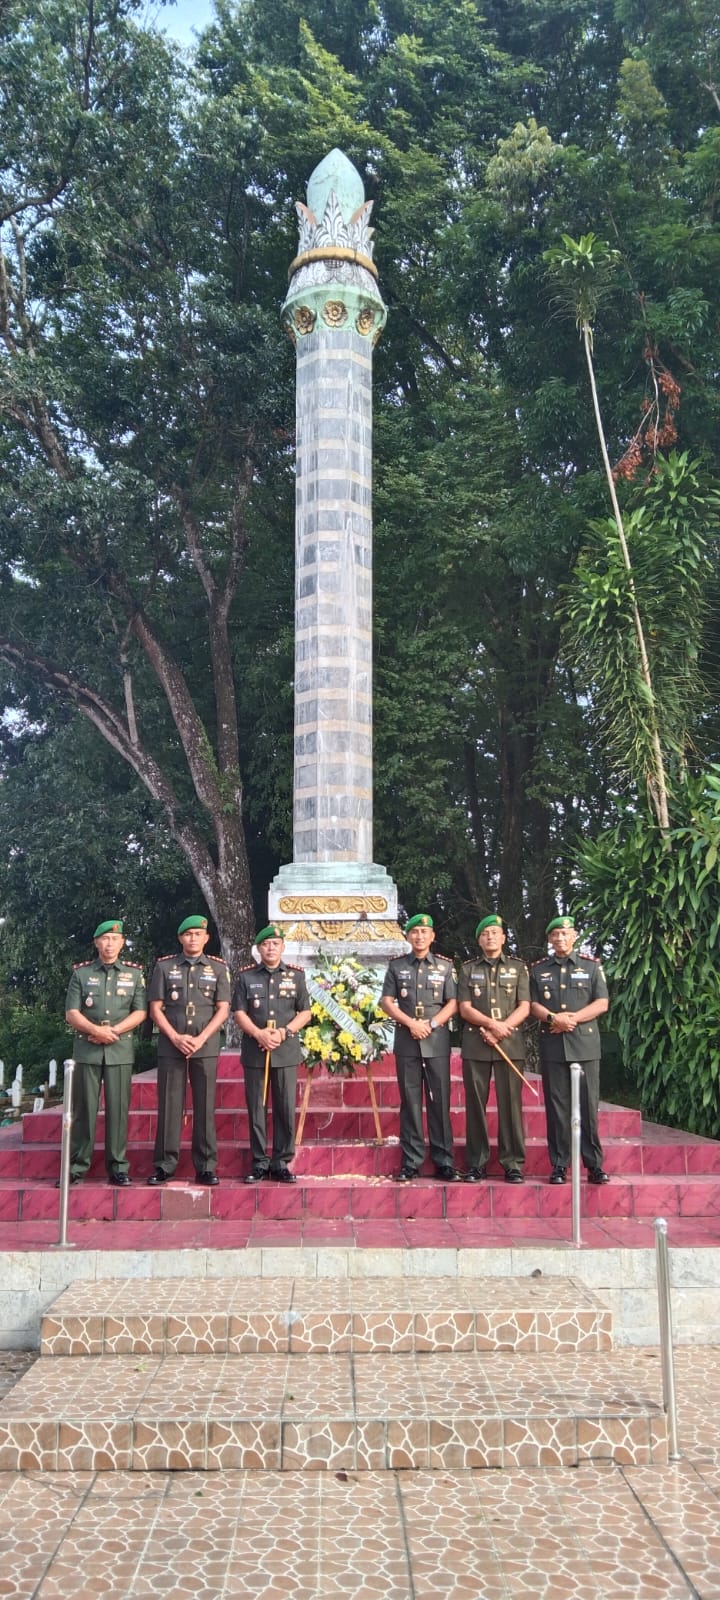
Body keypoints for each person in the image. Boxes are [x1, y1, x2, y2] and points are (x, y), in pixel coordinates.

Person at [147, 915, 231, 1186]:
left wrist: (203, 1037)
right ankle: (164, 1165)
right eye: (189, 934)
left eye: (198, 934)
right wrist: (174, 1036)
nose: (193, 938)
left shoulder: (218, 968)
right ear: (180, 938)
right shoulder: (164, 966)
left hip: (204, 1045)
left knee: (205, 1106)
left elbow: (223, 1009)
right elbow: (155, 1008)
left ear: (206, 938)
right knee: (169, 1106)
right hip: (172, 1045)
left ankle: (206, 1166)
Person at [62, 919, 147, 1186]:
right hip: (87, 1050)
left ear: (122, 943)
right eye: (105, 939)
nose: (109, 944)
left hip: (119, 1051)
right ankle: (76, 1167)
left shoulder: (134, 975)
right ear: (96, 943)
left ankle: (118, 1167)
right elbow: (71, 1013)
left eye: (115, 939)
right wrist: (96, 1031)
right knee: (83, 1110)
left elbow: (141, 1011)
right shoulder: (81, 974)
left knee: (118, 1111)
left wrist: (115, 1031)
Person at [529, 915, 610, 1185]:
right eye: (555, 935)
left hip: (584, 1044)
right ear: (550, 939)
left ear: (574, 936)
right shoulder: (539, 970)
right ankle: (560, 1164)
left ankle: (594, 1165)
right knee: (557, 1108)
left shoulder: (590, 966)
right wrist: (554, 1019)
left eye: (565, 934)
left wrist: (572, 1019)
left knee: (588, 1107)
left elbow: (601, 1003)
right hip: (553, 1044)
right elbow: (533, 1005)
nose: (560, 939)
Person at [381, 913, 460, 1182]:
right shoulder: (396, 966)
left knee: (439, 1102)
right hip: (407, 1041)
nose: (419, 936)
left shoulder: (445, 967)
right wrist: (411, 1023)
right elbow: (387, 1001)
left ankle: (444, 1160)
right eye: (414, 932)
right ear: (407, 936)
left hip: (436, 1042)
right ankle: (411, 1161)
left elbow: (452, 1002)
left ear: (432, 936)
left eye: (424, 932)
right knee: (411, 1104)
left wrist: (433, 1023)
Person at [233, 924, 311, 1184]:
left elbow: (305, 1012)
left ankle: (281, 1162)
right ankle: (259, 1162)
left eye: (275, 944)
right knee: (257, 1108)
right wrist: (259, 1034)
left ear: (282, 947)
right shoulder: (246, 977)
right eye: (265, 944)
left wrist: (285, 1032)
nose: (270, 948)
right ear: (258, 949)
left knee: (285, 1108)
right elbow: (239, 1013)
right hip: (256, 1051)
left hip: (285, 1051)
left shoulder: (296, 976)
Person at [458, 914, 530, 1183]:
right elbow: (464, 1007)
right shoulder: (467, 969)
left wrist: (503, 1028)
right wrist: (490, 1025)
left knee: (510, 1105)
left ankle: (512, 1163)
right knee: (476, 1105)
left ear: (503, 938)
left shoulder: (518, 968)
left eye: (494, 932)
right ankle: (476, 1163)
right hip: (477, 1044)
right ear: (479, 939)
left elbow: (524, 1005)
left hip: (509, 1044)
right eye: (485, 933)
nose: (490, 937)